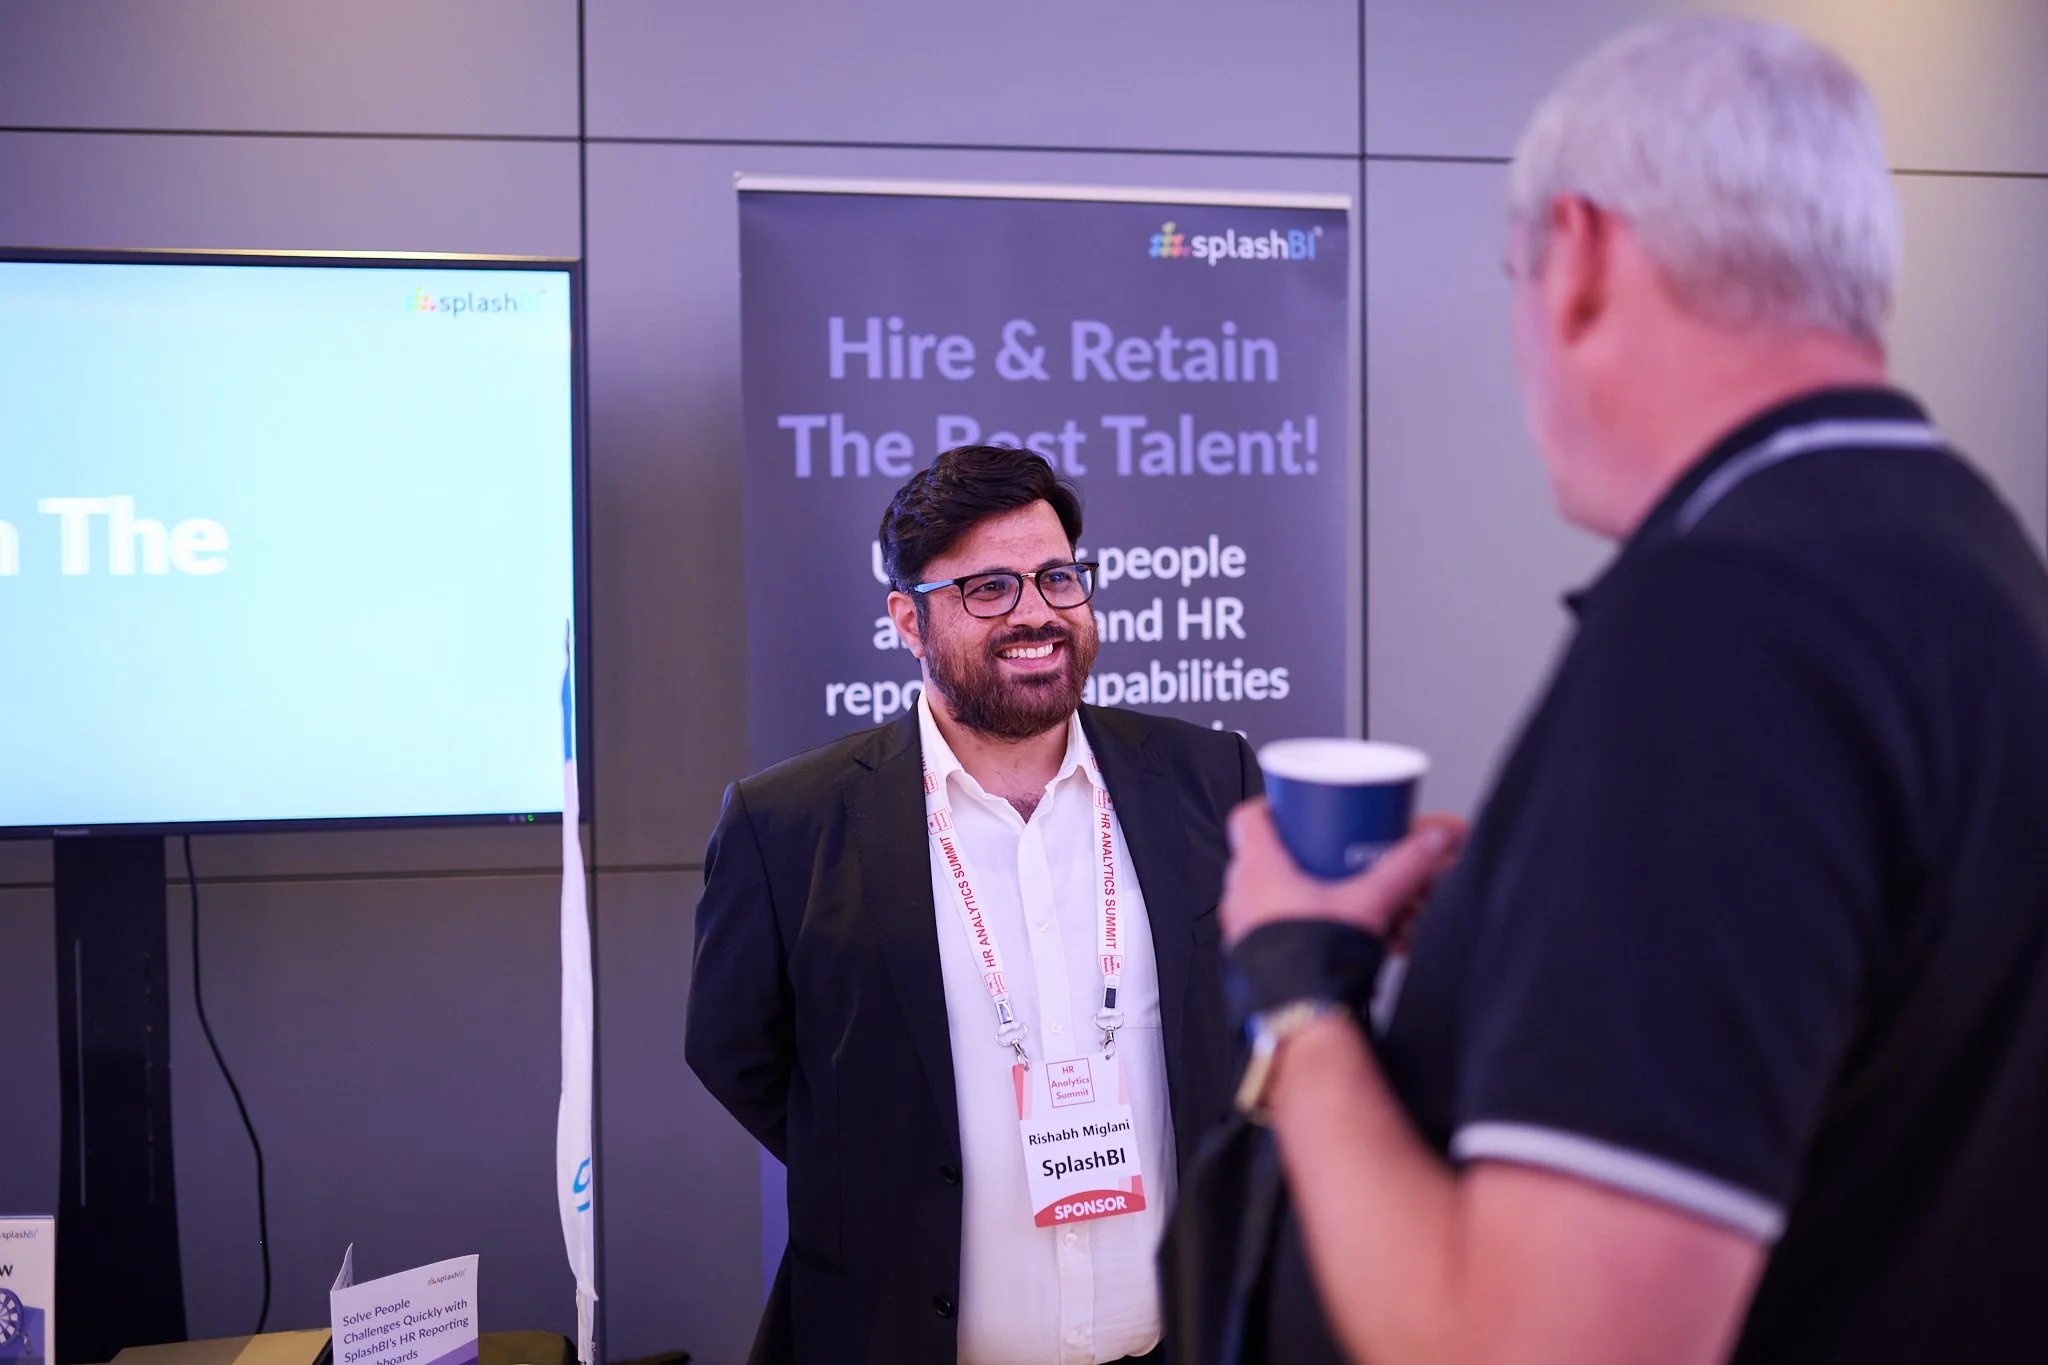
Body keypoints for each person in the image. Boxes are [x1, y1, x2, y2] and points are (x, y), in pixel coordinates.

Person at [1205, 17, 2048, 1365]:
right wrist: (1538, 939)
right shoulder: (1972, 555)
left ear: (1582, 258)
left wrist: (1296, 990)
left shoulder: (1726, 622)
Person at [688, 444, 1259, 1365]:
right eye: (988, 588)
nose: (1036, 613)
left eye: (1057, 577)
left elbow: (1255, 1019)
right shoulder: (788, 822)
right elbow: (733, 1047)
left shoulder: (1207, 779)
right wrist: (886, 1157)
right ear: (909, 622)